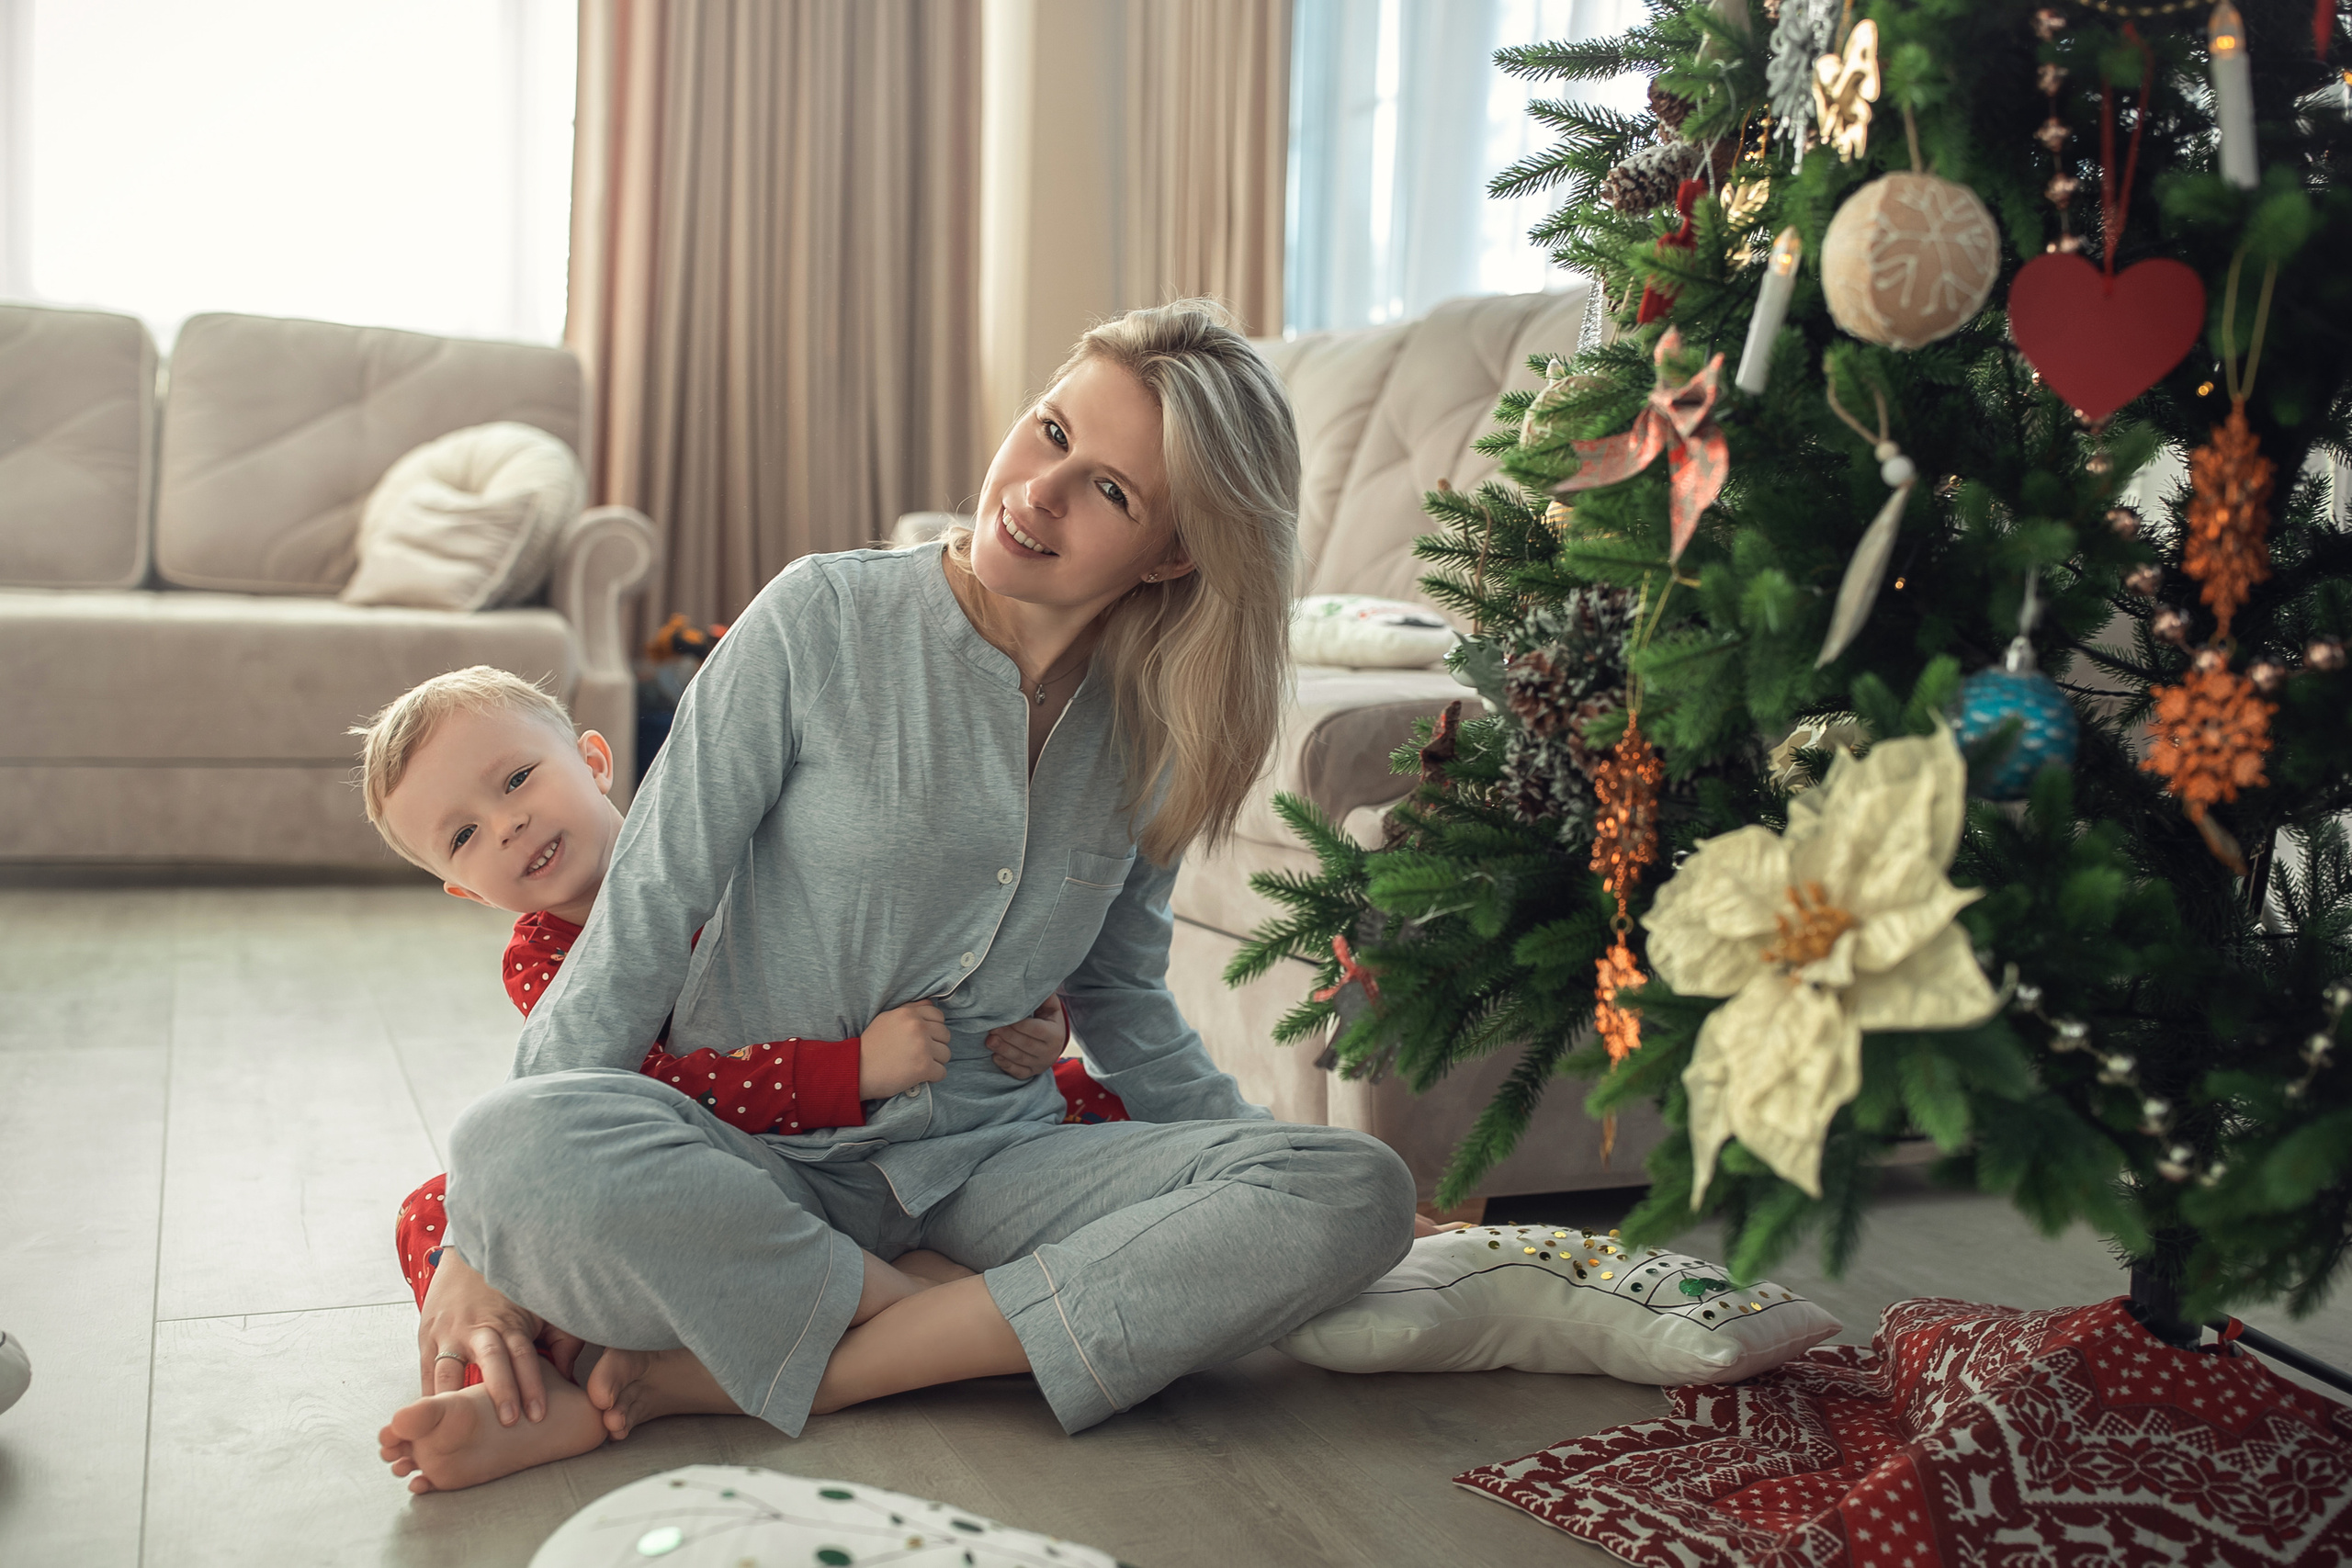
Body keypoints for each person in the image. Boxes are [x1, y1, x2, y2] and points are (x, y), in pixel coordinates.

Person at [379, 299, 1418, 1495]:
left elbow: (1126, 995)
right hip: (756, 1162)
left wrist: (1255, 1159)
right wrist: (479, 1234)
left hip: (991, 1166)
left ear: (1174, 553)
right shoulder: (817, 619)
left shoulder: (1156, 728)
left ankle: (741, 1369)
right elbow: (643, 915)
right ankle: (960, 1327)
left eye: (1111, 492)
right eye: (1047, 430)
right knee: (511, 1144)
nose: (1037, 491)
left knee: (1353, 1185)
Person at [354, 670, 1092, 1483]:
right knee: (445, 1201)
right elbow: (653, 1089)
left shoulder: (725, 842)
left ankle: (681, 1351)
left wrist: (1032, 1015)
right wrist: (846, 1070)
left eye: (518, 778)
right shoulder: (542, 960)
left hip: (875, 1152)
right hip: (720, 1181)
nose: (507, 823)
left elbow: (906, 926)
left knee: (1092, 1115)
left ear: (595, 758)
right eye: (462, 836)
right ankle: (520, 1386)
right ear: (461, 889)